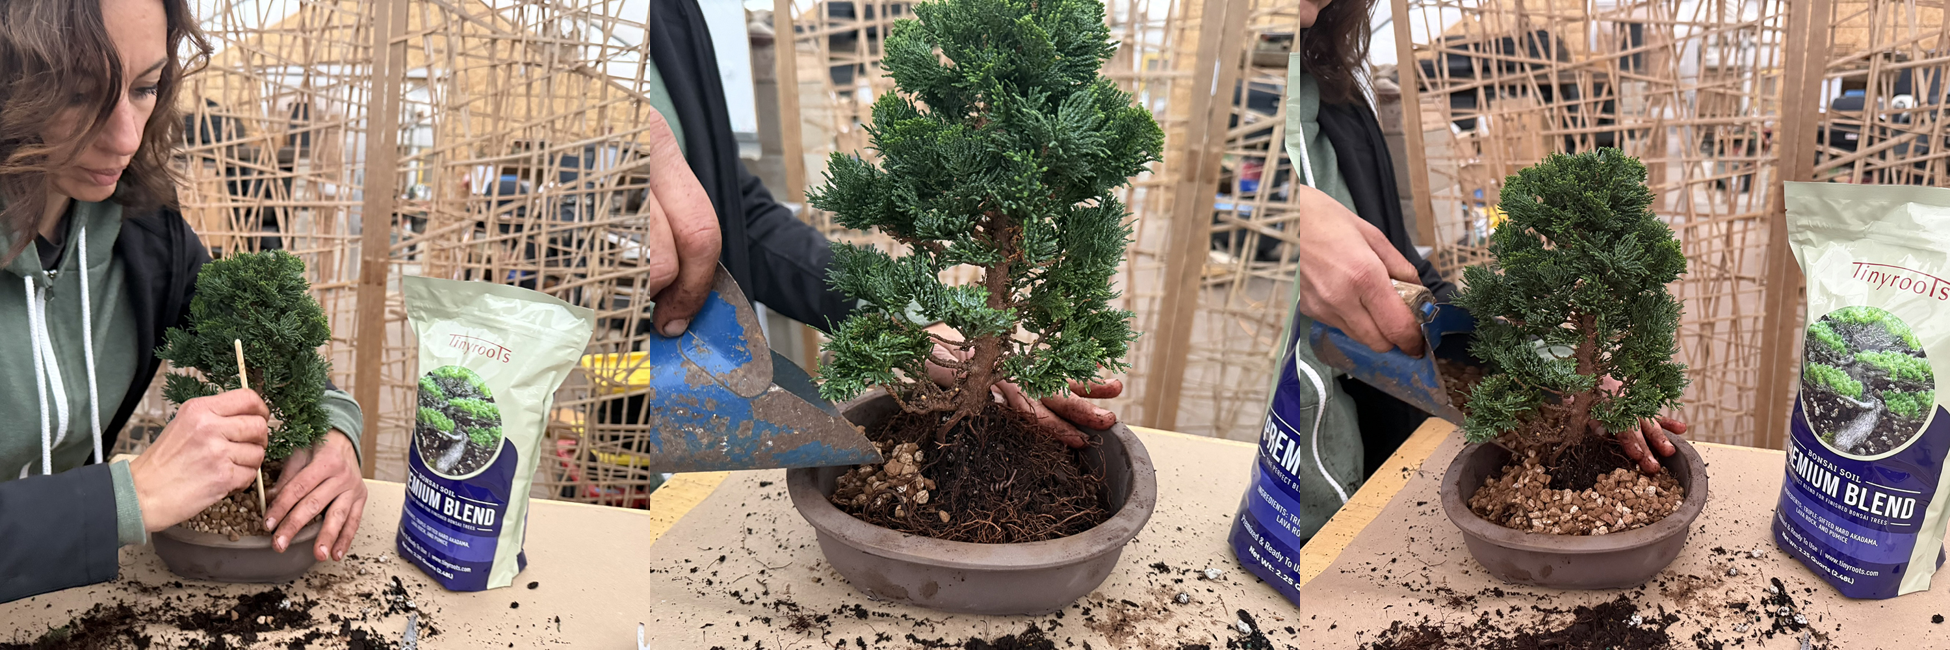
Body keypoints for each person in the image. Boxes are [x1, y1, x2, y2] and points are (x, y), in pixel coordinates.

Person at [0, 0, 725, 604]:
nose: (126, 135)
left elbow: (266, 358)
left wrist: (335, 431)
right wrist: (128, 496)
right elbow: (120, 497)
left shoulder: (143, 229)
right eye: (78, 93)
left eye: (146, 86)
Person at [1276, 0, 1686, 544]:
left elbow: (1408, 280)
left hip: (1358, 500)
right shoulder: (1235, 117)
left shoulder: (1337, 102)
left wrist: (1553, 364)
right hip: (1280, 505)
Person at [646, 0, 1120, 444]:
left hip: (705, 417)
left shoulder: (669, 12)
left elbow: (737, 216)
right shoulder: (583, 49)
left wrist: (914, 321)